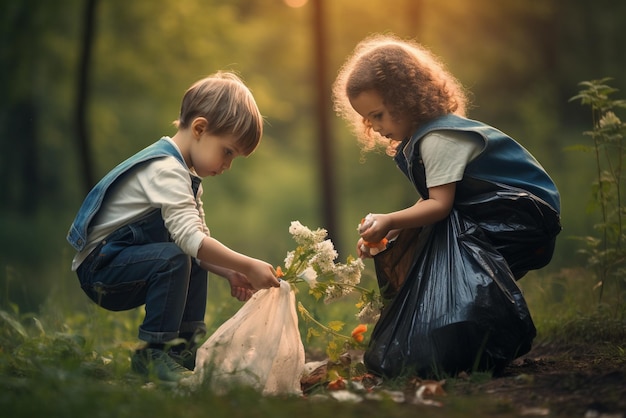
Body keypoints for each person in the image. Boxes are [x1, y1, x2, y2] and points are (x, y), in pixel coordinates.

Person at [332, 34, 561, 378]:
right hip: (502, 210)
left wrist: (390, 217)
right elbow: (432, 200)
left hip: (524, 214)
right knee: (435, 238)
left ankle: (471, 336)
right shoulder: (425, 138)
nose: (376, 128)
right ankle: (465, 338)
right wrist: (391, 228)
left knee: (442, 233)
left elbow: (439, 206)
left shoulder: (439, 138)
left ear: (405, 98)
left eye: (378, 115)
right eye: (368, 120)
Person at [66, 71, 281, 383]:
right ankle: (155, 353)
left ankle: (183, 350)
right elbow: (190, 241)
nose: (227, 166)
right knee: (175, 256)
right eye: (228, 152)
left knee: (188, 255)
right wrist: (248, 265)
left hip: (127, 261)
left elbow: (199, 242)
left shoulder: (185, 176)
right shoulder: (165, 170)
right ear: (199, 128)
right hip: (100, 269)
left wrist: (229, 271)